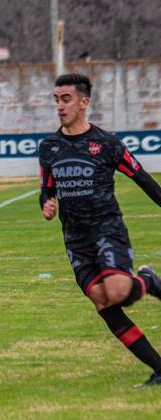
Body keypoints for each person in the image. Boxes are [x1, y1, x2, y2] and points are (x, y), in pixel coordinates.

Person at [39, 73, 161, 387]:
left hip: (107, 229)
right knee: (102, 300)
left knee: (119, 292)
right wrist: (47, 203)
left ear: (83, 102)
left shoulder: (106, 144)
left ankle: (148, 280)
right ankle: (159, 368)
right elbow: (46, 188)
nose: (60, 107)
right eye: (56, 100)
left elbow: (142, 178)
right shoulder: (50, 147)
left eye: (65, 99)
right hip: (75, 238)